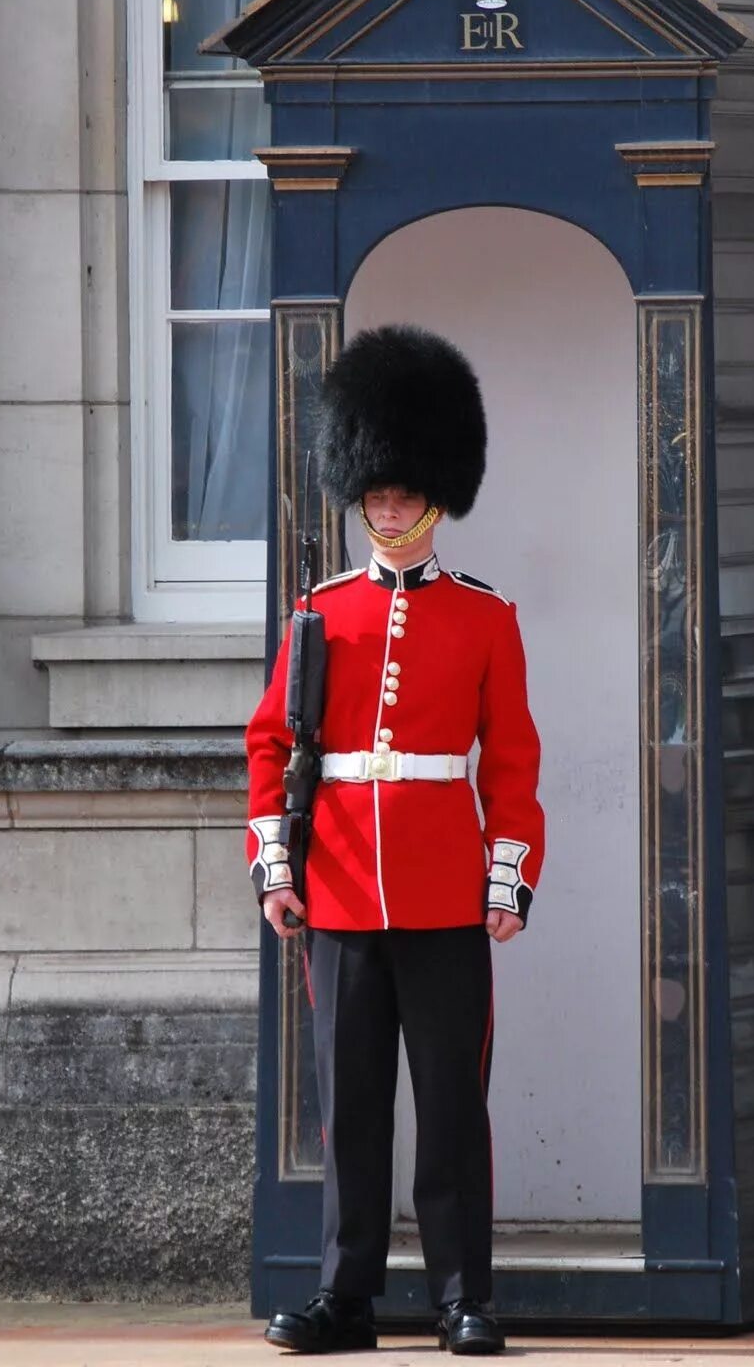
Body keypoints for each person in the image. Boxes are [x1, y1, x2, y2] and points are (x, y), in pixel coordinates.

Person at [245, 325, 545, 1356]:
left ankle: (465, 1294)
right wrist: (276, 870)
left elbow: (509, 766)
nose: (387, 508)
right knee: (353, 1109)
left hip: (445, 892)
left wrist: (506, 880)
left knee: (452, 1107)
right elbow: (272, 742)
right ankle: (348, 1295)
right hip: (337, 890)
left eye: (403, 494)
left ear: (435, 498)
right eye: (374, 494)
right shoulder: (318, 615)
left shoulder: (484, 620)